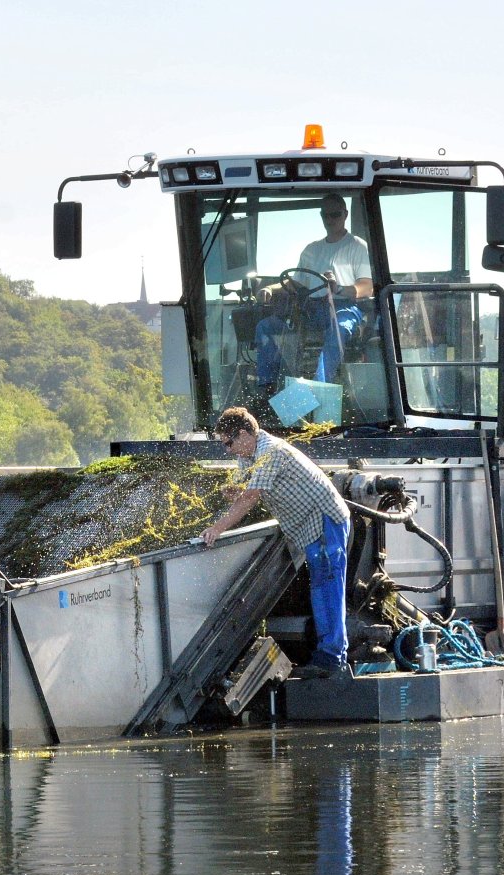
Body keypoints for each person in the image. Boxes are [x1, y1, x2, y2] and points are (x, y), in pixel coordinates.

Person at [200, 406, 351, 676]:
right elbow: (243, 492)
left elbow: (250, 498)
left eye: (228, 443)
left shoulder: (270, 452)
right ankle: (327, 654)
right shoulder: (249, 456)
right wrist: (231, 492)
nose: (227, 450)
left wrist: (217, 528)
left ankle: (332, 658)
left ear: (245, 433)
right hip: (308, 527)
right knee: (319, 587)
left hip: (325, 519)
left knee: (328, 587)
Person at [254, 194, 372, 391]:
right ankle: (268, 387)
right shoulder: (311, 249)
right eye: (326, 215)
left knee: (339, 329)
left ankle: (318, 389)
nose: (330, 220)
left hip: (345, 308)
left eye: (335, 215)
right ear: (321, 216)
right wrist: (268, 289)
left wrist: (339, 288)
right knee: (265, 327)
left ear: (345, 214)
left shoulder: (357, 246)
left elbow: (367, 286)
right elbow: (295, 283)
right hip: (311, 311)